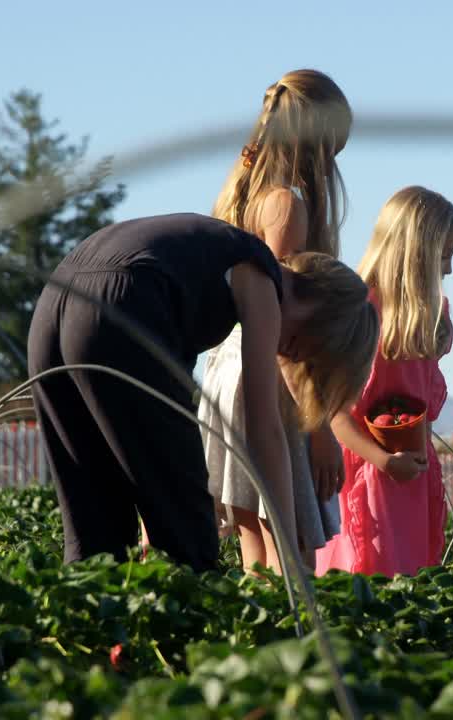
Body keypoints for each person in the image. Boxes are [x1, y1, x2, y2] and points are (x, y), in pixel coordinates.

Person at [28, 213, 378, 572]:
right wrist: (289, 557)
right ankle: (183, 622)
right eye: (301, 345)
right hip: (123, 303)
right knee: (187, 531)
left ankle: (87, 622)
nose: (290, 355)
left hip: (54, 302)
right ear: (320, 306)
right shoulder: (263, 279)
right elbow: (263, 429)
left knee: (94, 516)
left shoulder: (222, 253)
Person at [198, 68, 354, 573]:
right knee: (293, 550)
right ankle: (298, 643)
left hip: (226, 373)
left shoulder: (242, 194)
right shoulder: (288, 205)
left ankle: (259, 640)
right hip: (266, 380)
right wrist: (321, 429)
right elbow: (284, 328)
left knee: (254, 548)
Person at [315, 186, 453, 577]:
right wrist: (383, 459)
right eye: (443, 257)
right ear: (415, 254)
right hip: (367, 474)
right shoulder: (361, 313)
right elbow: (334, 412)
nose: (448, 270)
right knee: (369, 575)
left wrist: (411, 465)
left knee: (410, 579)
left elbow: (425, 415)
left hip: (412, 477)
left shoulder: (431, 318)